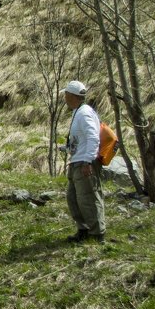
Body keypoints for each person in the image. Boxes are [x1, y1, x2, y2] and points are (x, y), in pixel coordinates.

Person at [61, 80, 106, 242]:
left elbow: (93, 137)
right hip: (77, 160)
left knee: (88, 198)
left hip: (84, 162)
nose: (65, 98)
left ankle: (97, 234)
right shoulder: (78, 112)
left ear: (73, 95)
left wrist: (88, 161)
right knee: (73, 197)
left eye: (66, 95)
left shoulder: (85, 112)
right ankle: (83, 229)